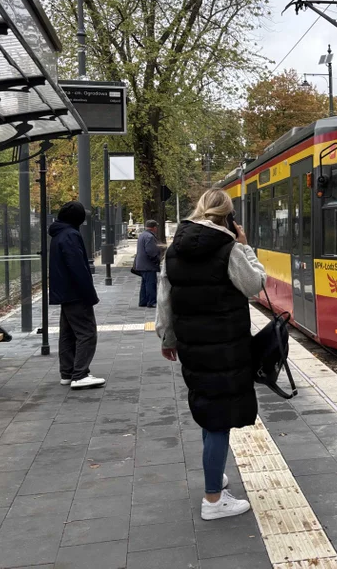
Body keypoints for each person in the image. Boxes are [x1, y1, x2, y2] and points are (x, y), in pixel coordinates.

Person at [155, 189, 266, 520]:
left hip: (192, 346)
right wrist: (244, 245)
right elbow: (255, 284)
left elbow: (165, 300)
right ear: (228, 216)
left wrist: (168, 339)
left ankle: (214, 474)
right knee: (219, 420)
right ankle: (214, 501)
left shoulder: (173, 250)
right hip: (226, 347)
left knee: (207, 406)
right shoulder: (229, 248)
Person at [48, 201, 105, 389]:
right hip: (76, 293)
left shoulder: (58, 235)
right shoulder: (71, 235)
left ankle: (67, 373)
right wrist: (89, 294)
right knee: (87, 332)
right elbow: (78, 268)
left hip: (64, 292)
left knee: (68, 333)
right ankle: (80, 374)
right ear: (78, 218)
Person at [135, 219, 161, 307]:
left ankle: (143, 301)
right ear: (154, 228)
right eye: (156, 227)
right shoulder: (150, 237)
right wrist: (157, 260)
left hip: (142, 264)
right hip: (148, 264)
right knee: (151, 283)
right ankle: (151, 301)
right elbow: (151, 251)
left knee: (144, 283)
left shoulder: (142, 235)